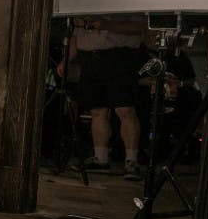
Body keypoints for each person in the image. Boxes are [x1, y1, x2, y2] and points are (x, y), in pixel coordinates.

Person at [58, 15, 146, 180]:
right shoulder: (82, 8)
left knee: (125, 109)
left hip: (119, 56)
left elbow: (140, 27)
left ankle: (131, 161)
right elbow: (76, 35)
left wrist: (107, 25)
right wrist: (67, 59)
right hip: (89, 58)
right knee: (97, 110)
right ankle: (101, 157)